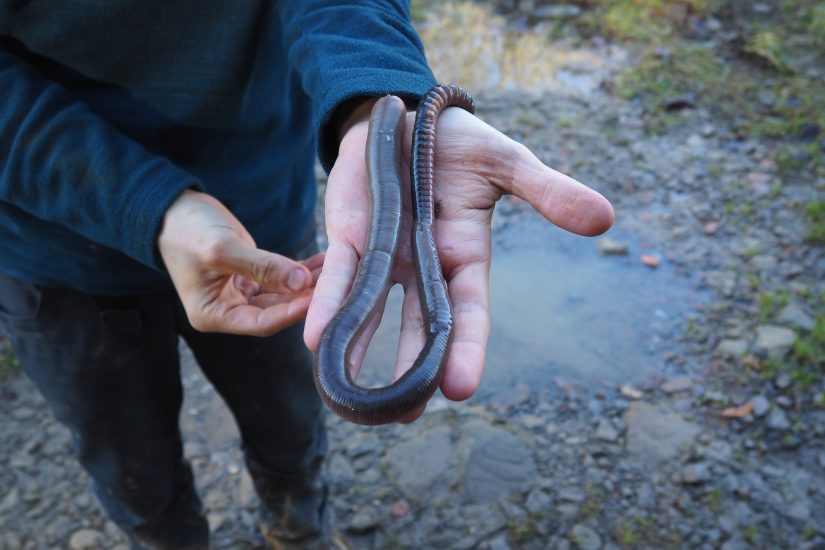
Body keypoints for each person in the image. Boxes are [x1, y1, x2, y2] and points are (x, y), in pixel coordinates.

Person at [0, 1, 614, 549]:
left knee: (289, 421)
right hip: (56, 256)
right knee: (132, 466)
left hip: (263, 229)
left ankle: (298, 529)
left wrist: (376, 93)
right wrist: (147, 205)